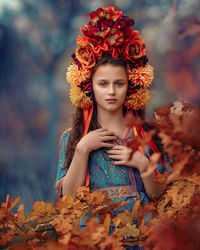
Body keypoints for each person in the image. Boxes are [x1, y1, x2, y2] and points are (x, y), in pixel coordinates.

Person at [56, 6, 167, 248]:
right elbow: (68, 199)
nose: (111, 91)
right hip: (93, 238)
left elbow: (162, 198)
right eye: (103, 83)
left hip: (142, 238)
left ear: (130, 86)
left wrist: (143, 164)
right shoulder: (72, 138)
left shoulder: (148, 135)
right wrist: (82, 149)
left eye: (119, 83)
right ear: (89, 86)